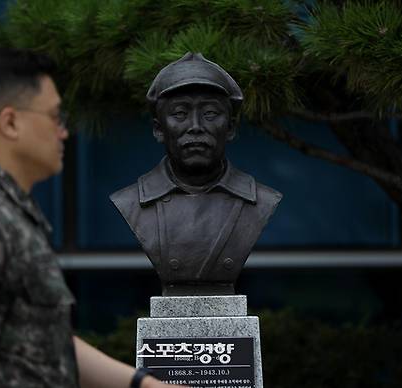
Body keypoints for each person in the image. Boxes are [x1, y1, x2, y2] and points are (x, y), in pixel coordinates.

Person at [0, 47, 182, 388]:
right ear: (10, 122)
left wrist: (144, 385)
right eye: (54, 117)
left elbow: (46, 342)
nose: (64, 132)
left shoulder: (6, 211)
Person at [110, 53, 282, 297]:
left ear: (230, 127)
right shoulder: (130, 202)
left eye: (210, 113)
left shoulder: (261, 201)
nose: (195, 126)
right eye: (180, 114)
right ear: (159, 129)